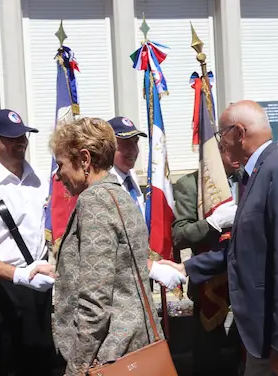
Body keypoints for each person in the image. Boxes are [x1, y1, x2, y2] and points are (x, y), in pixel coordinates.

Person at [161, 100, 278, 376]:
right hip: (271, 337)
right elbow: (250, 248)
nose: (220, 144)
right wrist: (186, 268)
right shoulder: (262, 171)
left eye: (222, 134)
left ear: (238, 132)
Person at [49, 117, 185, 376]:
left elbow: (95, 301)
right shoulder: (119, 195)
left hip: (110, 354)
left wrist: (76, 368)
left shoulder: (95, 202)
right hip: (133, 344)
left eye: (61, 165)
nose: (58, 176)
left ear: (85, 160)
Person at [0, 109, 56, 376]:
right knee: (1, 366)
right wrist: (18, 275)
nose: (22, 143)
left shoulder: (42, 180)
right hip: (0, 289)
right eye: (12, 138)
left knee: (41, 366)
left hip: (38, 289)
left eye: (23, 136)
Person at [172, 142, 242, 375]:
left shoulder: (249, 180)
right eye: (231, 150)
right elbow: (180, 235)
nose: (238, 156)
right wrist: (212, 224)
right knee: (208, 354)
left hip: (247, 278)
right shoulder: (190, 185)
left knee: (245, 351)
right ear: (215, 152)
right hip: (209, 279)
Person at [107, 116, 147, 216]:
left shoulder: (130, 176)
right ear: (109, 146)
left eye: (135, 142)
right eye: (126, 143)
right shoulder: (106, 184)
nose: (133, 150)